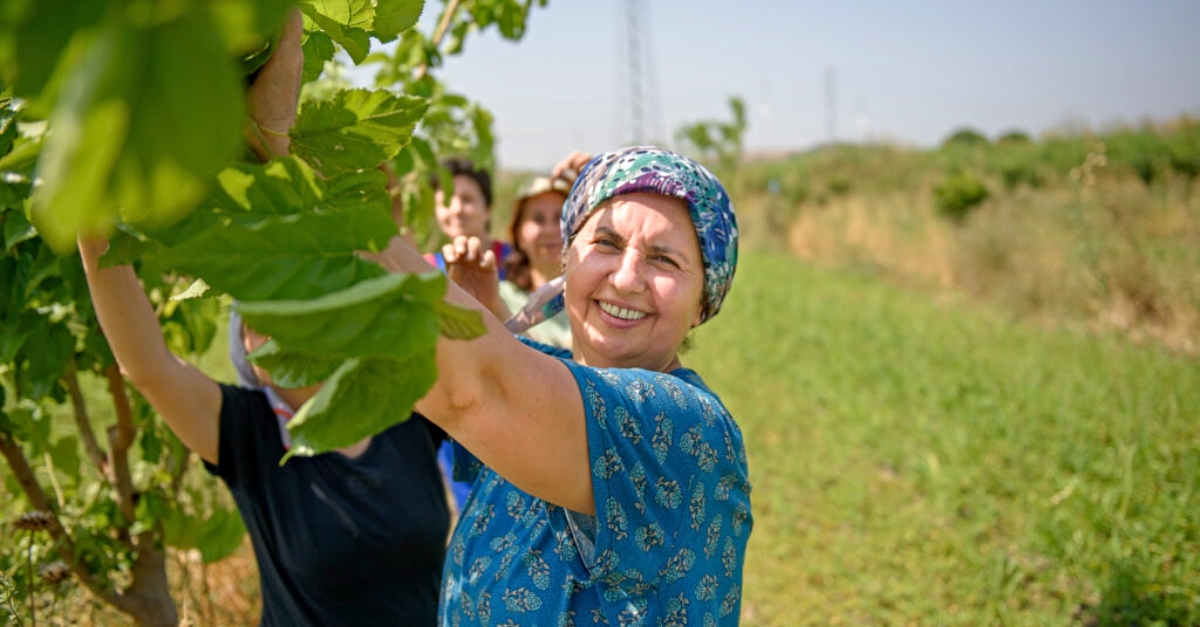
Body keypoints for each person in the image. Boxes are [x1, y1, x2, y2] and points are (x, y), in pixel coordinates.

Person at [77, 13, 449, 626]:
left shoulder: (401, 405)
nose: (271, 327)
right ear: (246, 353)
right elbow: (145, 365)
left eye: (288, 305)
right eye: (254, 319)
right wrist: (91, 224)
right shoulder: (250, 437)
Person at [380, 145, 752, 625]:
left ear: (705, 301)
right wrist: (485, 326)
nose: (625, 278)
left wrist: (325, 210)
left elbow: (476, 392)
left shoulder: (688, 430)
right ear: (566, 260)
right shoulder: (545, 365)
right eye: (606, 244)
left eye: (663, 259)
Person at [494, 170, 575, 348]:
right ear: (518, 235)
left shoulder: (592, 299)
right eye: (538, 219)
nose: (550, 230)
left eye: (559, 219)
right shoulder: (498, 297)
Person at [423, 157, 511, 278]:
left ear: (488, 209)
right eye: (446, 201)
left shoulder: (515, 261)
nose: (456, 209)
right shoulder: (426, 267)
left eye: (467, 199)